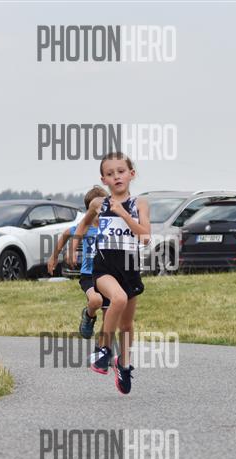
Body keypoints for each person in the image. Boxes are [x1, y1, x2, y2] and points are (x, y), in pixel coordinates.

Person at [73, 152, 151, 394]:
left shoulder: (139, 204)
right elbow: (83, 224)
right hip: (104, 269)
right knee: (117, 298)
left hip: (129, 268)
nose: (116, 176)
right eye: (110, 173)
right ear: (103, 179)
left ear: (131, 174)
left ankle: (123, 365)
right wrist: (74, 246)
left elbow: (145, 237)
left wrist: (124, 214)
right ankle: (104, 349)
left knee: (126, 325)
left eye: (121, 171)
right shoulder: (99, 204)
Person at [47, 186, 112, 358]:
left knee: (109, 316)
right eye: (94, 208)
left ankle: (102, 351)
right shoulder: (84, 226)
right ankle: (88, 315)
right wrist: (54, 256)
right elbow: (65, 235)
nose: (98, 212)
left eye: (102, 207)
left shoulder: (110, 226)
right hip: (89, 275)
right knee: (96, 300)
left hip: (108, 276)